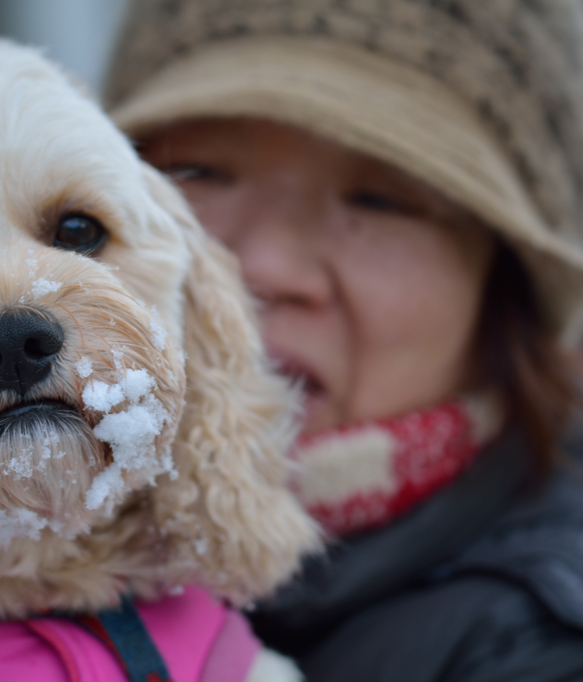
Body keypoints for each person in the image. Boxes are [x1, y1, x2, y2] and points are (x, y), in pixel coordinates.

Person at [104, 1, 583, 680]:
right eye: (202, 170)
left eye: (380, 201)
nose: (263, 264)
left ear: (504, 297)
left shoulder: (536, 647)